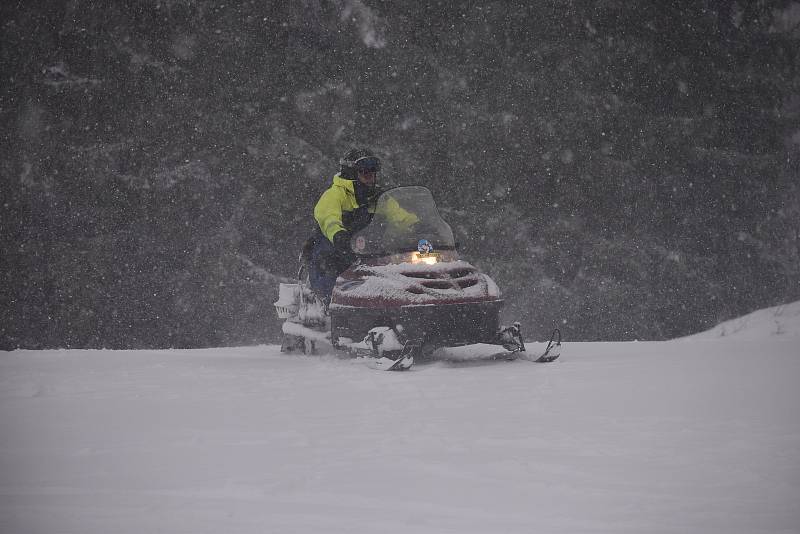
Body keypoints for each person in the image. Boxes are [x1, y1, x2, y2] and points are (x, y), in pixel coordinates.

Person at [306, 148, 417, 305]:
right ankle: (328, 305)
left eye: (372, 172)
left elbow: (401, 217)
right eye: (364, 172)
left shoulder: (377, 197)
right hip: (335, 249)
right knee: (331, 269)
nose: (370, 177)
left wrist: (418, 227)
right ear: (351, 174)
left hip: (368, 251)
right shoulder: (335, 195)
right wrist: (338, 234)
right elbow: (328, 219)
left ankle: (392, 308)